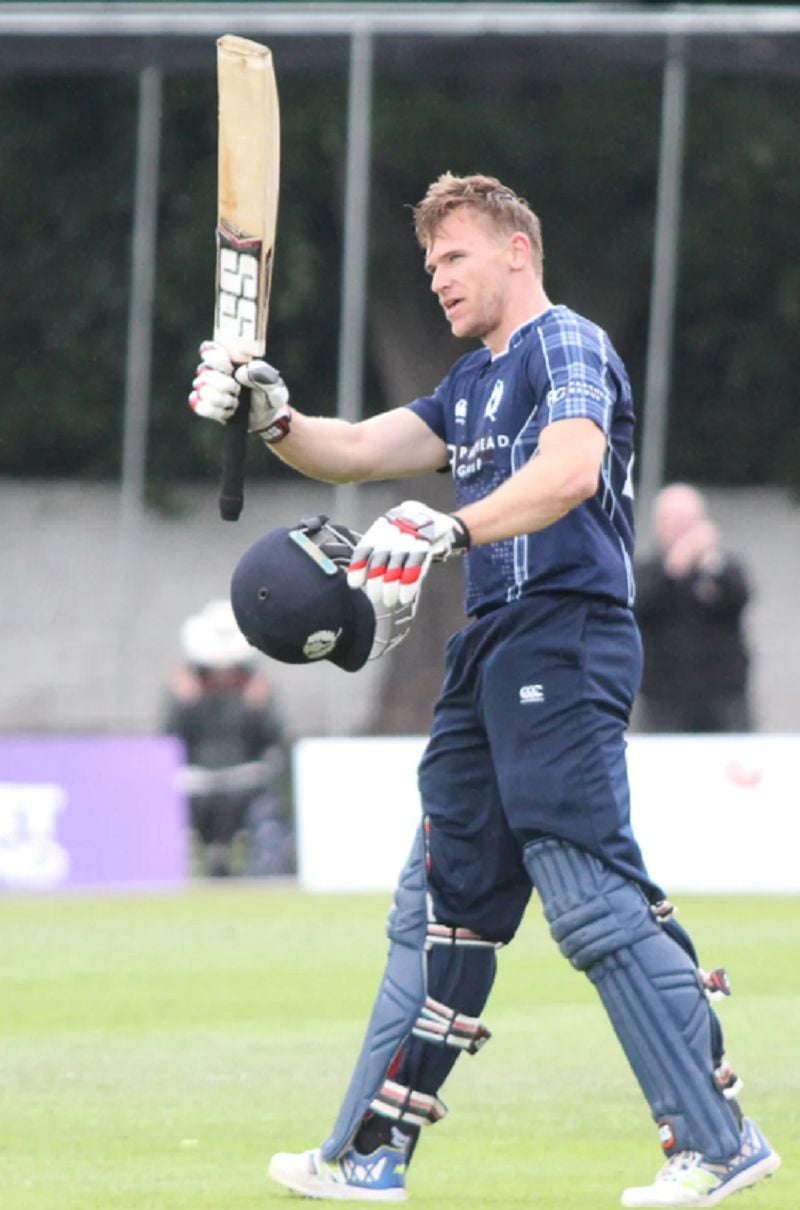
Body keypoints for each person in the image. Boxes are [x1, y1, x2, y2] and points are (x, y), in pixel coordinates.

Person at [189, 174, 779, 1207]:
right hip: (490, 648)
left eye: (452, 257)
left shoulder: (565, 346)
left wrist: (453, 526)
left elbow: (567, 469)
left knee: (589, 901)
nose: (436, 279)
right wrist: (275, 417)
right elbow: (365, 449)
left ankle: (716, 1137)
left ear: (516, 250)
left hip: (564, 636)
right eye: (426, 265)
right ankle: (365, 1151)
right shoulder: (468, 382)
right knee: (435, 912)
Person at [162, 598, 293, 877]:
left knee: (266, 821)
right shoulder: (190, 689)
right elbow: (169, 738)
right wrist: (186, 705)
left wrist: (257, 709)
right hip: (197, 782)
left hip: (247, 781)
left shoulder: (254, 688)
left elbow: (272, 737)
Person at [634, 484, 754, 733]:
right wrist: (674, 568)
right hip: (663, 699)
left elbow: (740, 598)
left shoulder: (723, 569)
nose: (679, 528)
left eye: (686, 520)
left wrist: (710, 561)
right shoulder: (645, 572)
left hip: (724, 696)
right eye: (671, 519)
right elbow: (641, 605)